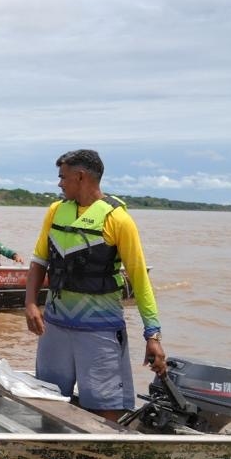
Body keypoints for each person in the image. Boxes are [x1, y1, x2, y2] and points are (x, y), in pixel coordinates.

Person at [23, 149, 167, 421]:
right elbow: (39, 261)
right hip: (55, 326)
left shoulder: (118, 219)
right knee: (47, 399)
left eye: (63, 177)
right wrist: (30, 303)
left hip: (99, 330)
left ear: (80, 177)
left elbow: (139, 279)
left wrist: (153, 335)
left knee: (105, 406)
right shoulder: (55, 211)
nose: (59, 183)